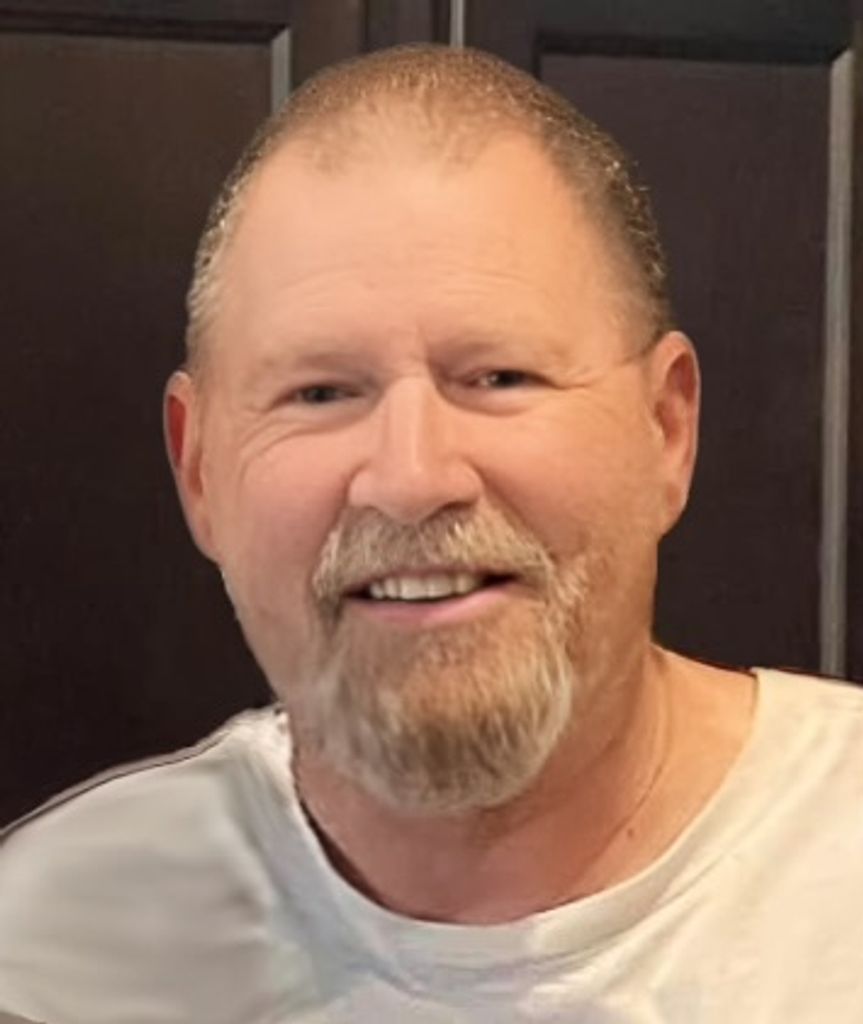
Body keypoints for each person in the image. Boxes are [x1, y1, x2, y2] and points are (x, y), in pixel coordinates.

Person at [1, 43, 862, 1024]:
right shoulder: (44, 958)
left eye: (498, 378)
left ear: (664, 430)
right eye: (321, 393)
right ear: (198, 470)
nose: (411, 480)